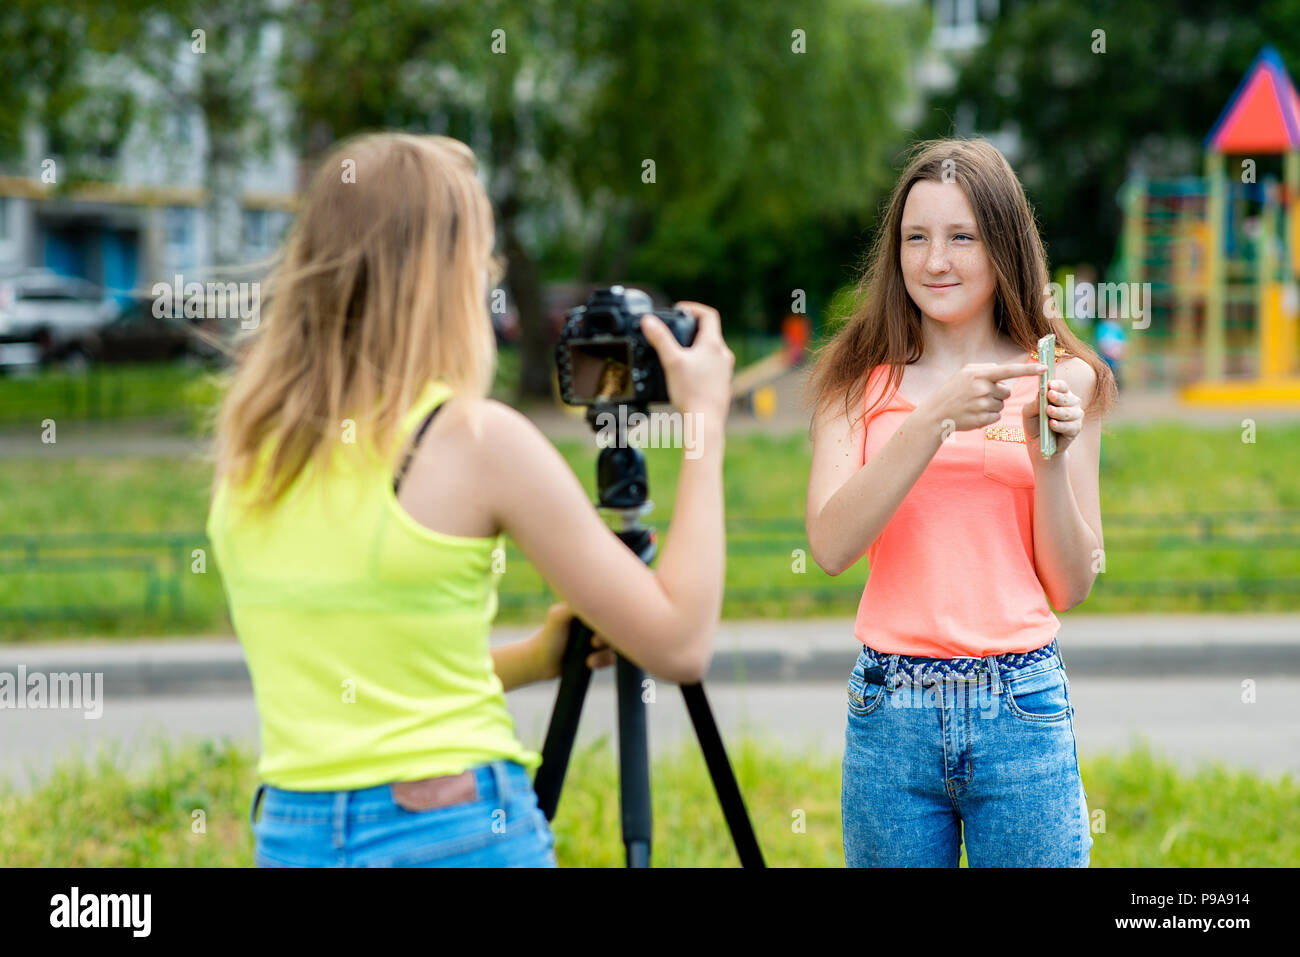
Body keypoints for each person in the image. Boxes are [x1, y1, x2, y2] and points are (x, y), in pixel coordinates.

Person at [206, 132, 734, 867]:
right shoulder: (474, 440)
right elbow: (679, 641)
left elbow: (367, 686)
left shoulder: (249, 452)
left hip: (292, 832)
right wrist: (704, 423)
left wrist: (534, 658)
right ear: (442, 277)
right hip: (451, 829)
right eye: (481, 257)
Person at [804, 138, 1117, 868]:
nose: (933, 260)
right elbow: (829, 545)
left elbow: (1071, 584)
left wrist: (1051, 459)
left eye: (960, 237)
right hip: (890, 712)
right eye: (916, 237)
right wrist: (930, 419)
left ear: (1003, 244)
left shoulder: (1066, 379)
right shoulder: (854, 383)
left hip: (1023, 704)